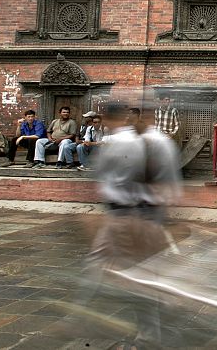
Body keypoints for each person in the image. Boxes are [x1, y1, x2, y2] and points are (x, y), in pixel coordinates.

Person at [83, 101, 181, 349]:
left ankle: (147, 333)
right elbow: (171, 186)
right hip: (147, 215)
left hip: (126, 216)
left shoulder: (119, 142)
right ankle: (82, 314)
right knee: (128, 269)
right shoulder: (161, 142)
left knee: (131, 276)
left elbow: (103, 180)